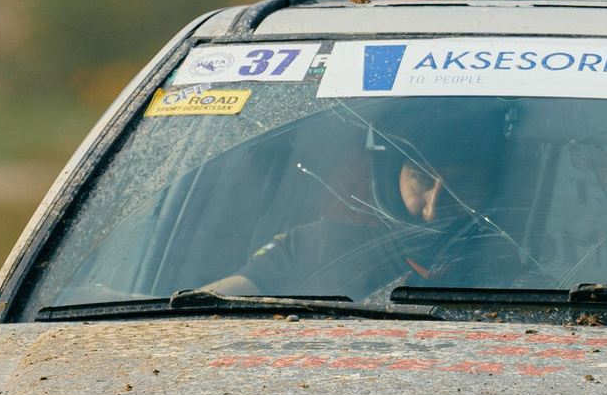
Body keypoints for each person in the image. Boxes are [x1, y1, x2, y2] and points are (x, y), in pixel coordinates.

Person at [205, 102, 518, 297]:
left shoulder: (530, 277)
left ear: (494, 189)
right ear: (389, 178)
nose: (433, 210)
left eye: (462, 186)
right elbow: (213, 303)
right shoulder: (325, 249)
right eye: (421, 179)